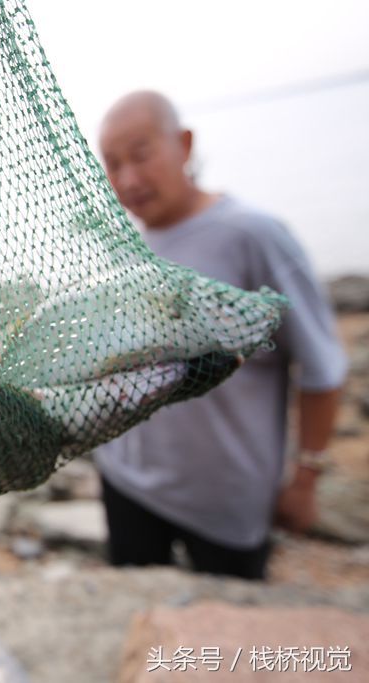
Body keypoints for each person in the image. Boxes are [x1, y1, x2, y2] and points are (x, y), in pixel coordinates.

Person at [93, 90, 347, 580]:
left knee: (230, 646)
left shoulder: (253, 234)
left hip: (227, 502)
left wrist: (307, 477)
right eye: (113, 163)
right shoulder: (128, 252)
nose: (128, 179)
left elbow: (322, 367)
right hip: (127, 482)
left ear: (184, 145)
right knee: (145, 629)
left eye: (141, 155)